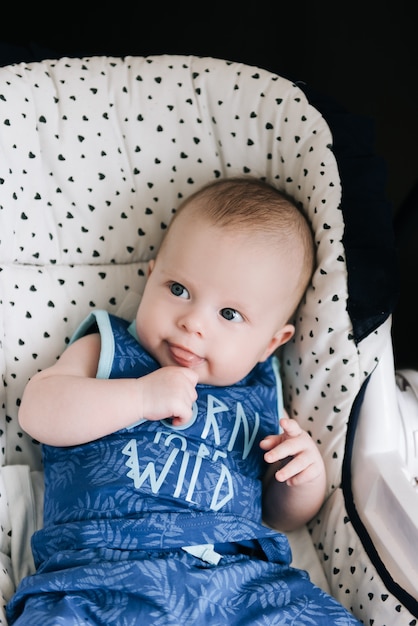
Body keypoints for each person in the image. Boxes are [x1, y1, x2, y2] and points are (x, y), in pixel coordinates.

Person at [7, 176, 361, 625]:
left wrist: (303, 478)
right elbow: (38, 409)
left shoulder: (260, 391)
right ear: (151, 275)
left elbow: (279, 515)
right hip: (103, 572)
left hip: (241, 581)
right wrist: (139, 396)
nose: (193, 321)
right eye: (178, 289)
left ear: (271, 343)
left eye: (229, 314)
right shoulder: (113, 349)